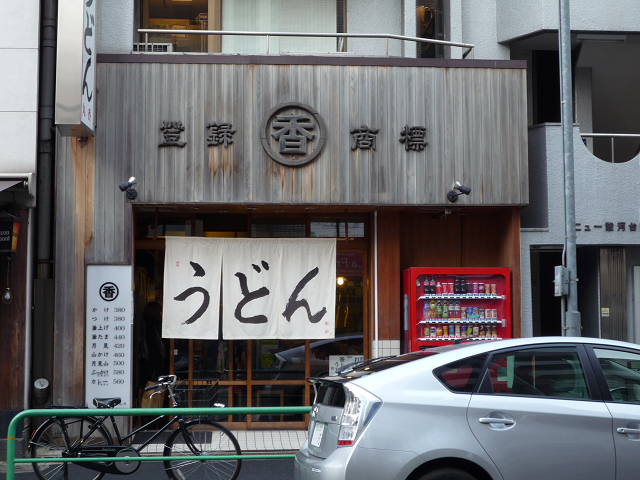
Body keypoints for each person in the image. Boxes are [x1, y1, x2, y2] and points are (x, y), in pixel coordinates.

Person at [141, 301, 168, 382]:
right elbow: (153, 347)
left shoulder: (149, 326)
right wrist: (159, 364)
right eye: (160, 311)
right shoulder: (155, 327)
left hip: (152, 364)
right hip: (157, 364)